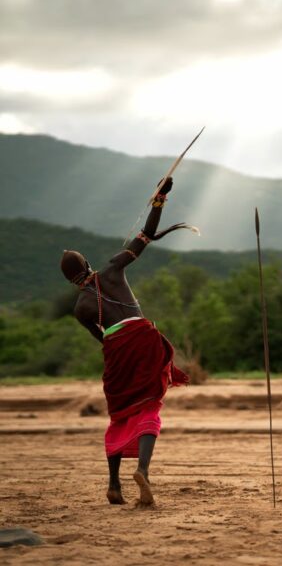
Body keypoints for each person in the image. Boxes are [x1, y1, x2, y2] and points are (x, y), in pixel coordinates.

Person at [60, 177, 190, 507]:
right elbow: (146, 235)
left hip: (117, 351)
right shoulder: (113, 269)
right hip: (142, 340)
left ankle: (115, 484)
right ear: (88, 265)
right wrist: (160, 198)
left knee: (119, 414)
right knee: (148, 406)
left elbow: (102, 340)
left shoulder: (80, 308)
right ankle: (143, 470)